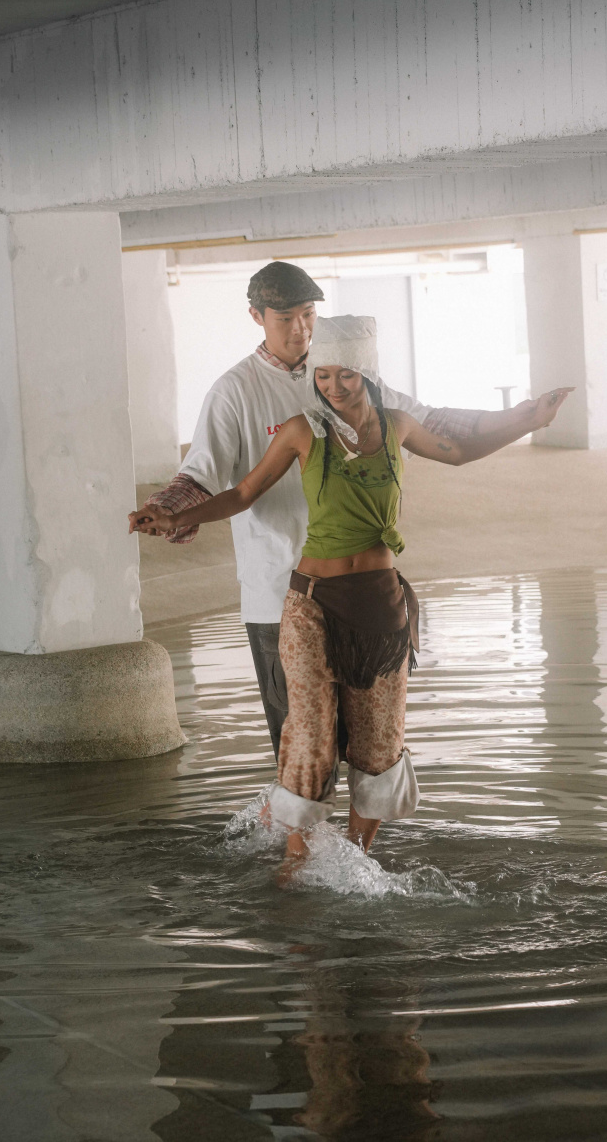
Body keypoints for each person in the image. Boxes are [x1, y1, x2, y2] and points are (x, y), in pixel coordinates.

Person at [132, 316, 571, 868]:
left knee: (379, 747)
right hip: (311, 604)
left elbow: (459, 451)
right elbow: (241, 493)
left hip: (381, 607)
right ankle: (295, 866)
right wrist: (171, 515)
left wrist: (530, 420)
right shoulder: (301, 431)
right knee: (311, 736)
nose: (333, 387)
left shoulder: (399, 426)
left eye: (346, 376)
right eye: (324, 376)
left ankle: (358, 863)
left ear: (369, 374)